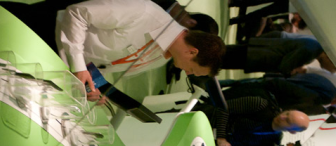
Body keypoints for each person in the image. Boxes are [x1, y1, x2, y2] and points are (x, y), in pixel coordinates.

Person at [54, 0, 226, 100]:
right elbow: (77, 13)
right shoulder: (145, 13)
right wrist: (78, 66)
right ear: (192, 52)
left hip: (60, 64)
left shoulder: (162, 57)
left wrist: (94, 85)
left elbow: (106, 64)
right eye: (192, 69)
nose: (188, 73)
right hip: (47, 31)